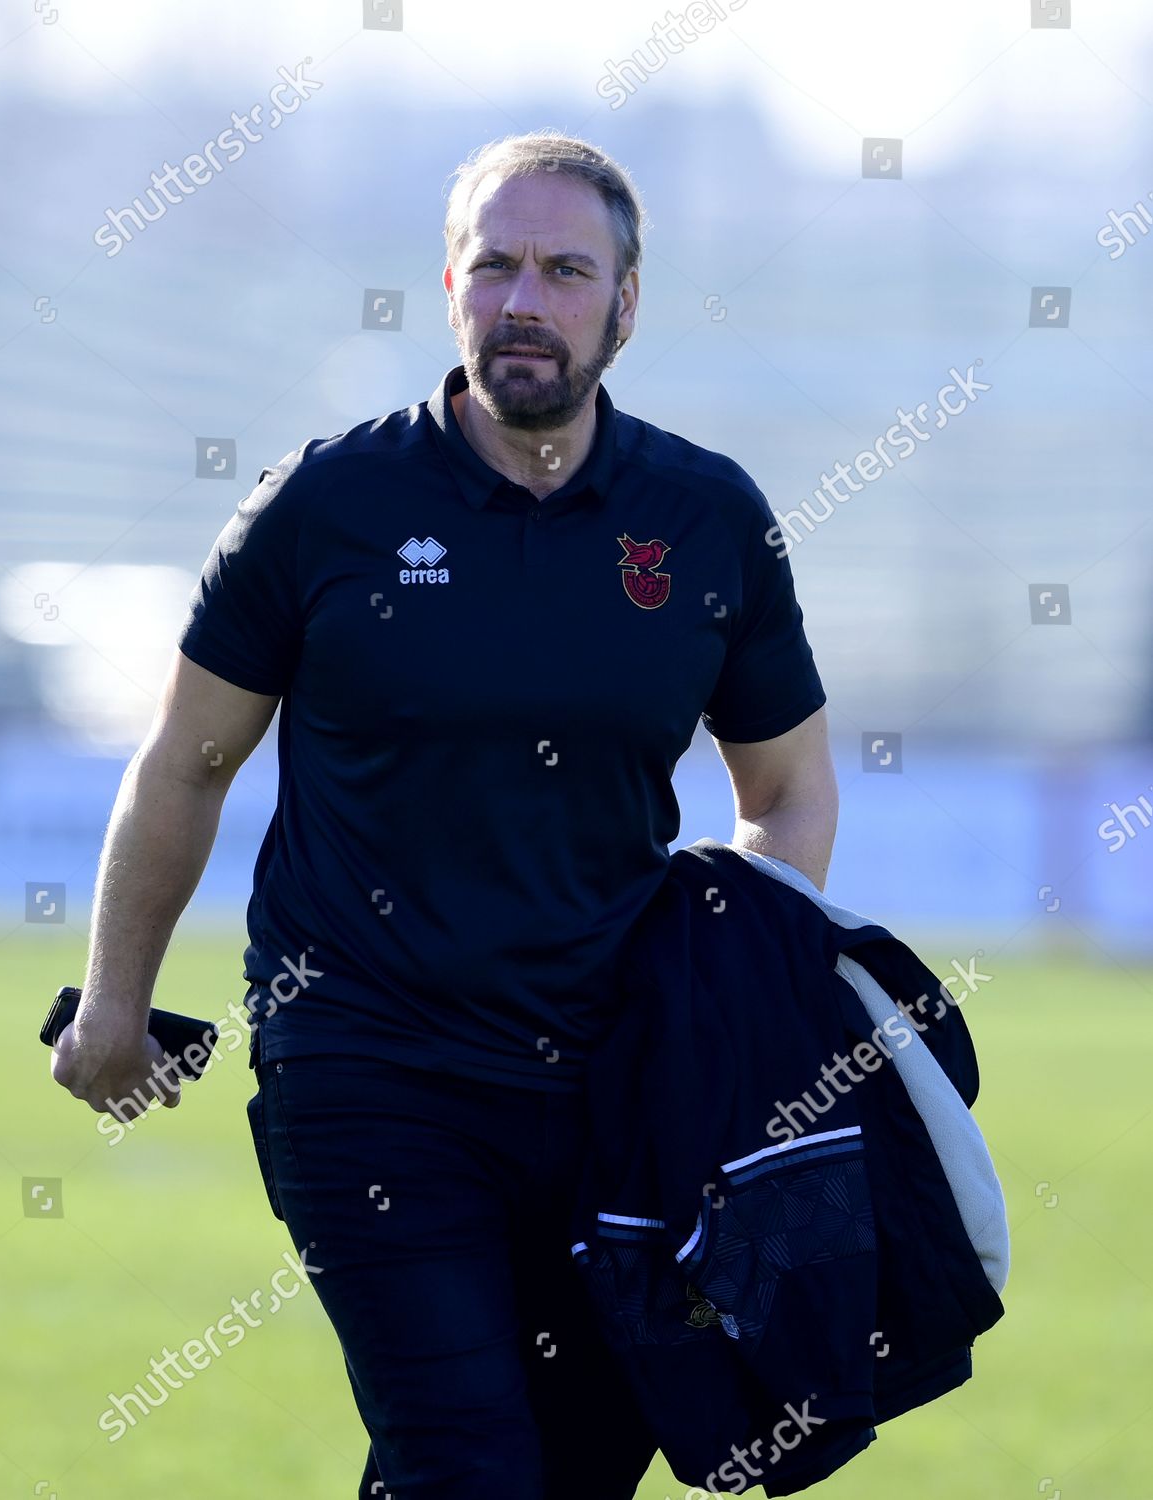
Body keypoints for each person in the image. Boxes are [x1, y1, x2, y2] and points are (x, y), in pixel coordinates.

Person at [51, 130, 838, 1499]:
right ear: (449, 285)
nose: (523, 301)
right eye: (494, 268)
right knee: (466, 1462)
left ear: (625, 303)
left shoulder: (704, 519)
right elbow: (185, 764)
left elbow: (785, 792)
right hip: (366, 1063)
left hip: (615, 1086)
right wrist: (118, 1002)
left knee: (570, 1470)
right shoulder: (325, 505)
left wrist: (733, 1012)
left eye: (563, 270)